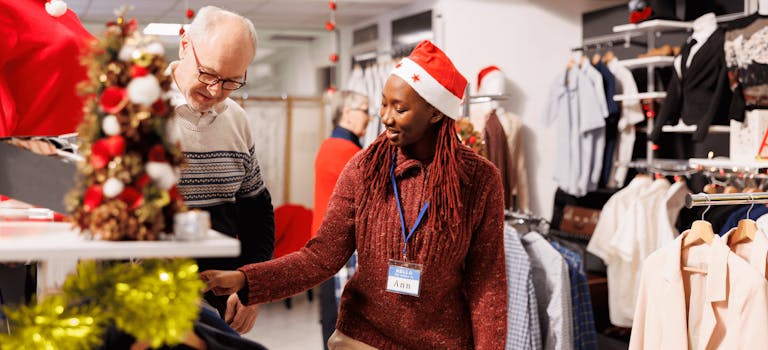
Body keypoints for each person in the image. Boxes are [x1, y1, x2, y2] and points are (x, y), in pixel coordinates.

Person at [201, 40, 507, 348]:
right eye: (383, 104)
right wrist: (247, 279)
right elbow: (320, 257)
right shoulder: (365, 169)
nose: (385, 117)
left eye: (399, 108)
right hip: (362, 337)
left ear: (436, 114)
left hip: (440, 342)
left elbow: (488, 283)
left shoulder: (479, 181)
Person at [167, 6, 275, 335]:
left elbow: (257, 214)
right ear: (185, 44)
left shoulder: (236, 119)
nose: (215, 92)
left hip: (220, 309)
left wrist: (252, 288)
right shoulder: (135, 112)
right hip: (150, 306)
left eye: (230, 81)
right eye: (208, 74)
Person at [312, 90, 371, 348]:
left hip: (325, 245)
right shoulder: (347, 151)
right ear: (347, 113)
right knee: (342, 325)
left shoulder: (329, 145)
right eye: (365, 111)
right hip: (339, 248)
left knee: (331, 318)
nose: (369, 118)